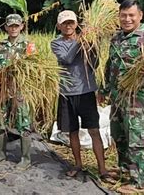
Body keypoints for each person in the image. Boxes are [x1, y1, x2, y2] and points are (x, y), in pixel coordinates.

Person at [99, 0, 144, 193]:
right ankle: (124, 171)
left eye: (131, 15)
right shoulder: (116, 38)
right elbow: (110, 66)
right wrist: (103, 91)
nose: (127, 19)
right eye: (123, 15)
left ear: (140, 16)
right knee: (119, 135)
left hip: (138, 98)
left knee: (137, 138)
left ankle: (139, 182)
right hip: (117, 96)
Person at [50, 10, 114, 183]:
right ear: (59, 26)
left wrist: (93, 46)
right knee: (72, 132)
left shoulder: (88, 41)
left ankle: (102, 169)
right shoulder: (56, 44)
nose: (68, 25)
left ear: (77, 24)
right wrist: (81, 42)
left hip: (86, 92)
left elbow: (94, 64)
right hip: (67, 93)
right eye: (64, 23)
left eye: (71, 22)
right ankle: (78, 164)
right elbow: (67, 59)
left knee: (94, 130)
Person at [0, 14, 34, 169]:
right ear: (6, 27)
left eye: (16, 25)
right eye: (10, 26)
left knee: (23, 122)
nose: (13, 28)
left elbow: (36, 68)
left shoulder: (28, 46)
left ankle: (25, 159)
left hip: (20, 90)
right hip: (1, 90)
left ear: (21, 26)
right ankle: (0, 155)